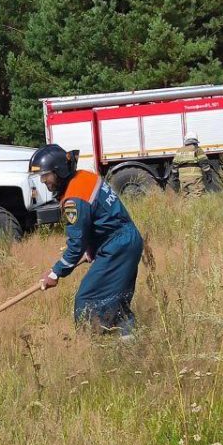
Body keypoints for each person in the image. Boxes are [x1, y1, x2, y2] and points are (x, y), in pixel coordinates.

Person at [30, 144, 144, 337]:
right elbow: (100, 217)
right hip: (124, 240)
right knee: (116, 300)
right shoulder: (83, 177)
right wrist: (92, 248)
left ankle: (90, 346)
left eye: (46, 175)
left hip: (117, 246)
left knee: (88, 300)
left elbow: (76, 244)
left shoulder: (74, 198)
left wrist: (56, 273)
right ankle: (129, 345)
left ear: (59, 171)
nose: (43, 181)